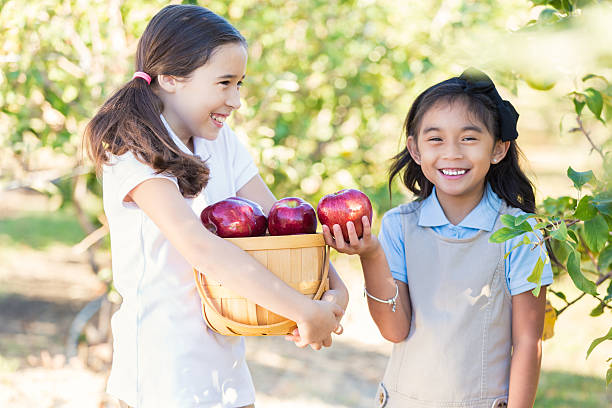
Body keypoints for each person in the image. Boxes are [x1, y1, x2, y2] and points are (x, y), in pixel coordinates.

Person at [84, 5, 348, 407]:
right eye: (224, 83)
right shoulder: (133, 151)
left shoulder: (221, 143)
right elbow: (201, 247)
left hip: (226, 376)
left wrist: (332, 289)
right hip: (162, 381)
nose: (236, 100)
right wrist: (301, 309)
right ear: (171, 77)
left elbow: (283, 226)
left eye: (239, 84)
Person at [323, 68, 551, 408]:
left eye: (469, 138)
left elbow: (528, 339)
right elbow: (394, 330)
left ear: (499, 149)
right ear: (415, 150)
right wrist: (371, 255)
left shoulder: (521, 233)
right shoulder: (400, 226)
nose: (453, 153)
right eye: (436, 139)